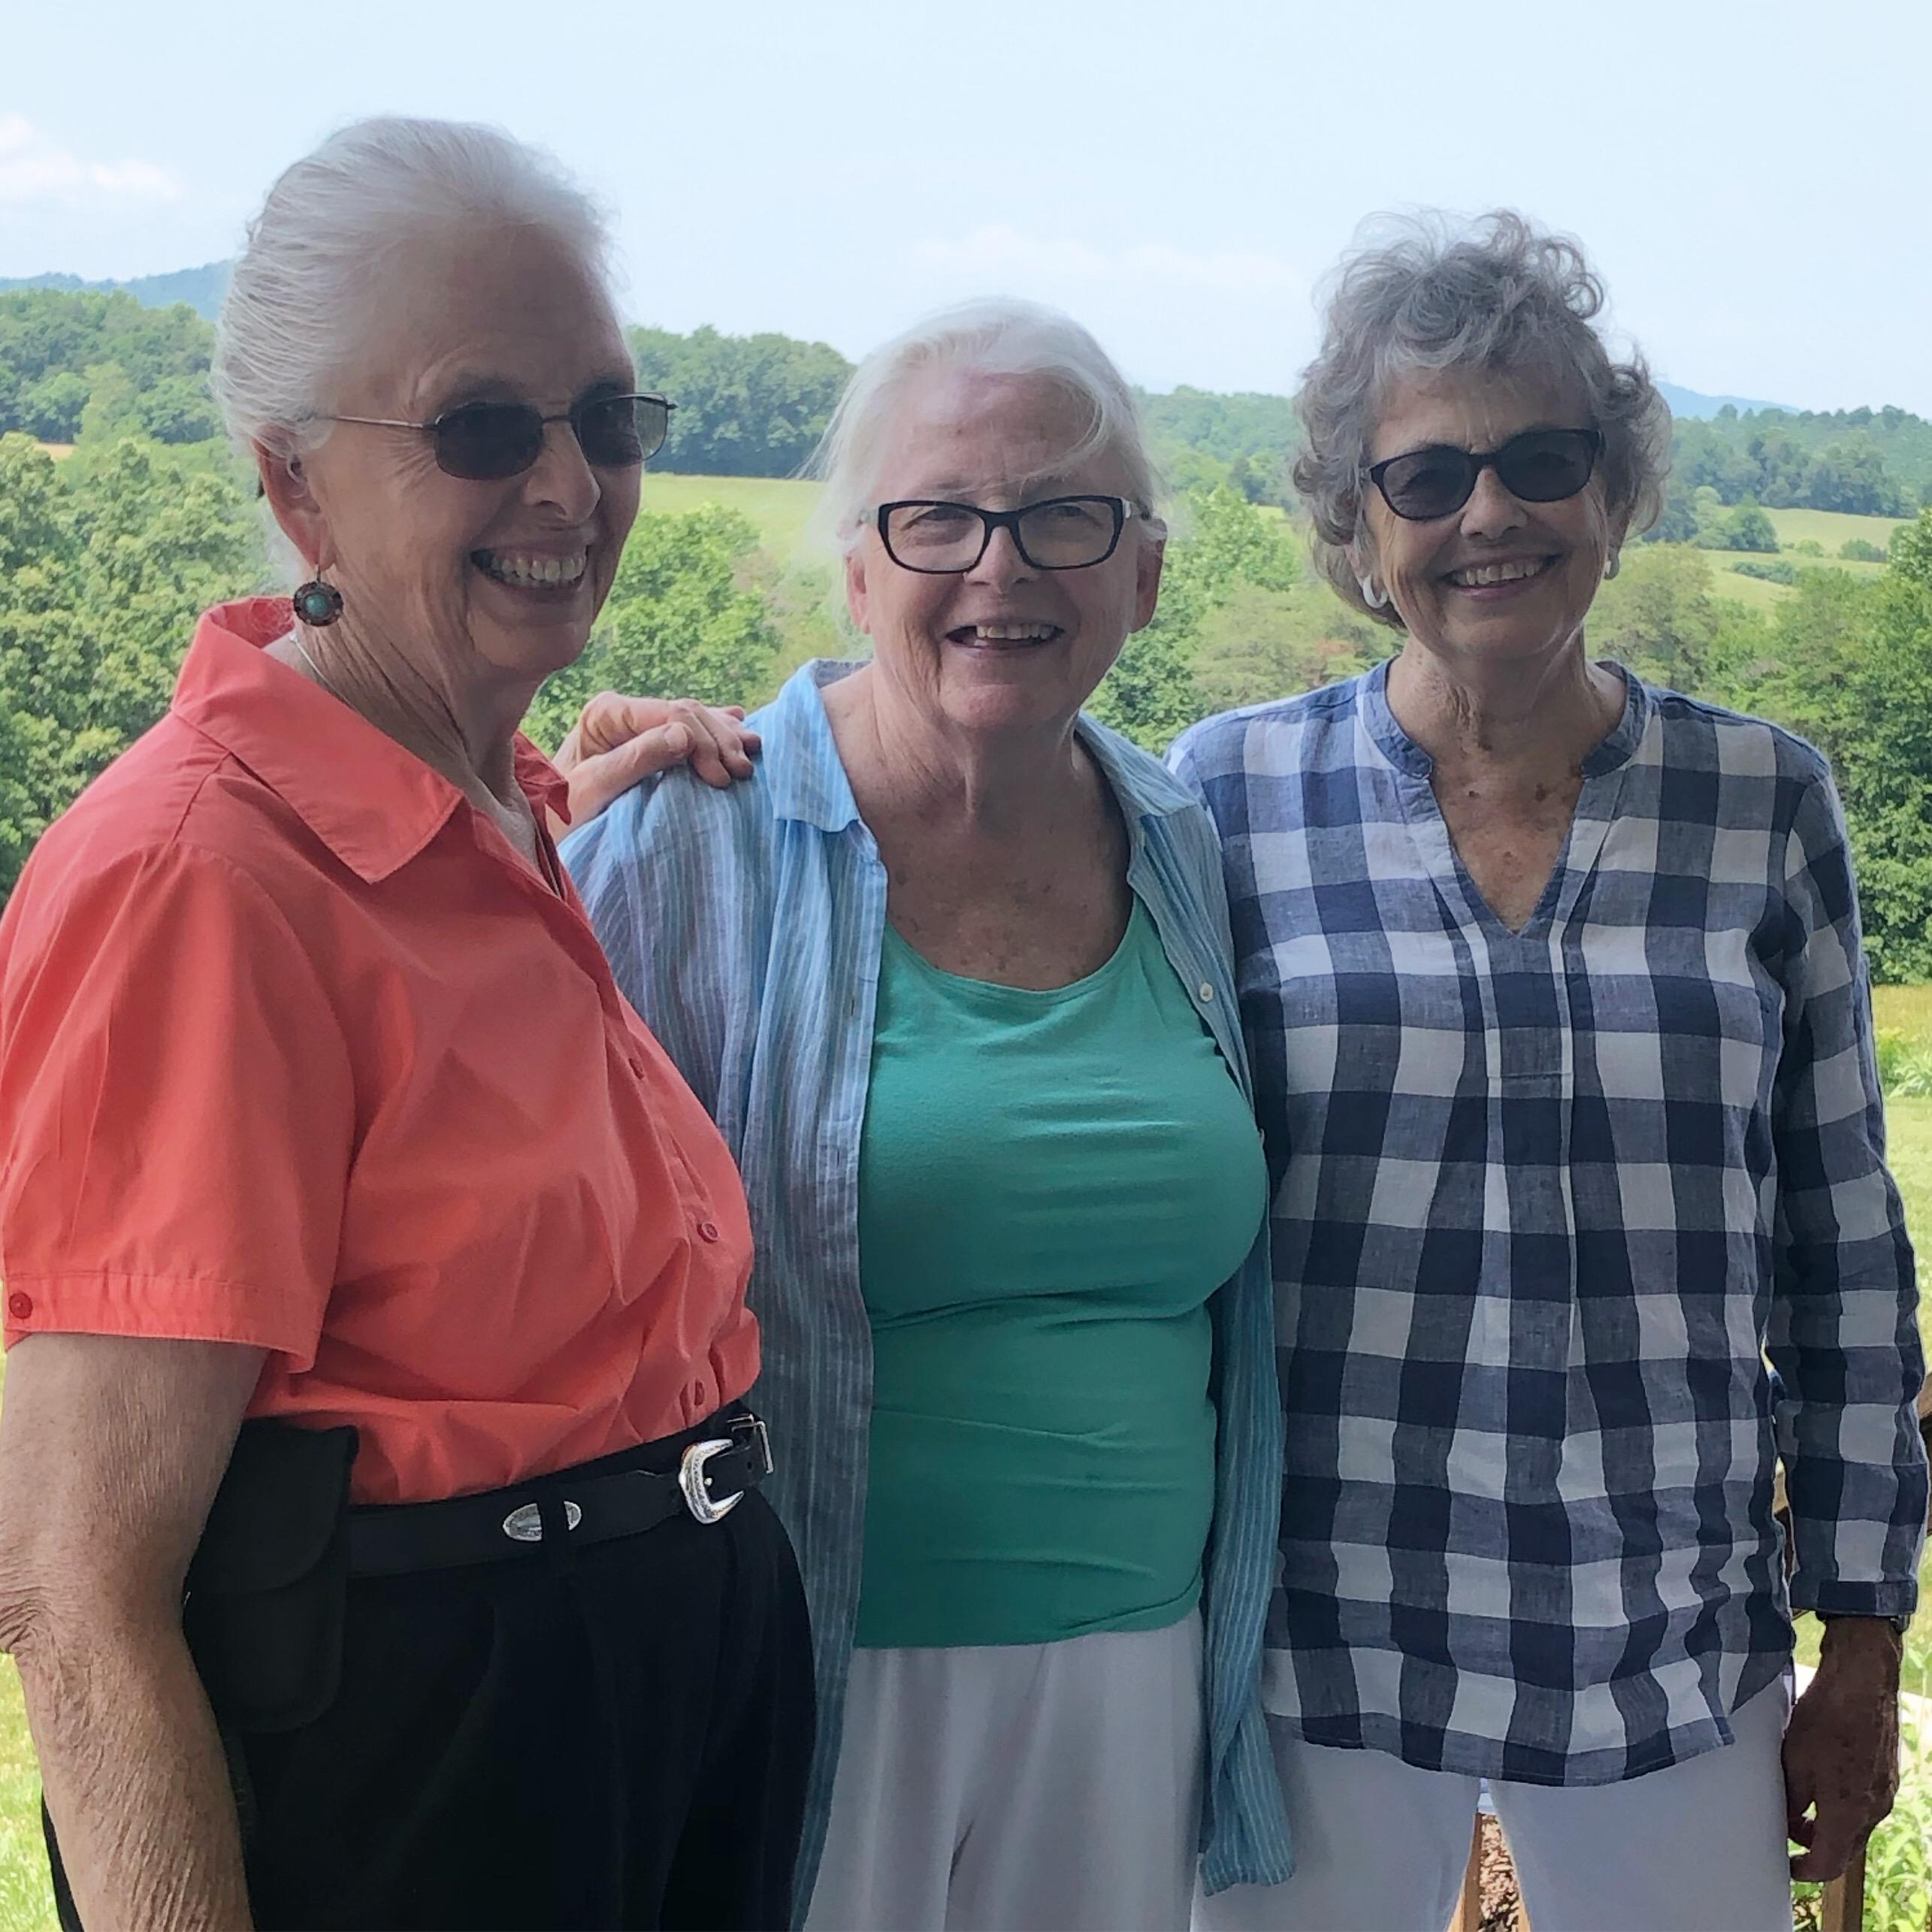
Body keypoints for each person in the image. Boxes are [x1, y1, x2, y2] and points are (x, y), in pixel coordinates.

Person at [0, 116, 807, 1931]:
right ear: (298, 493)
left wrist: (567, 800)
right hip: (441, 1751)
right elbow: (70, 1581)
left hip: (652, 1691)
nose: (569, 484)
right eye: (478, 428)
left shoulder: (489, 809)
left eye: (605, 418)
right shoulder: (198, 879)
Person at [1175, 212, 1928, 1932]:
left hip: (1671, 1657)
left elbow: (1841, 1252)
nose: (1486, 511)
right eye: (1424, 474)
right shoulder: (1211, 799)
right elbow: (956, 824)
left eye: (1538, 459)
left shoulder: (1765, 801)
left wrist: (1861, 1634)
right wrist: (718, 763)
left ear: (1610, 490)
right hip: (1315, 1646)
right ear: (1355, 525)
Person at [563, 300, 1291, 1931]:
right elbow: (484, 1160)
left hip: (1139, 1668)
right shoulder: (689, 842)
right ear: (857, 572)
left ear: (1143, 573)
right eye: (938, 516)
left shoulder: (1183, 846)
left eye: (1061, 517)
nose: (999, 565)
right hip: (809, 1654)